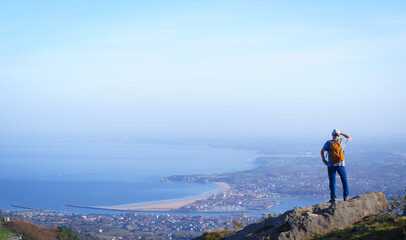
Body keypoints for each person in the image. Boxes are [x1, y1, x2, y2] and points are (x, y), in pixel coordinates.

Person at [321, 129, 352, 203]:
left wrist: (324, 160)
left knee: (332, 181)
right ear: (338, 135)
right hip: (340, 164)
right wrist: (341, 133)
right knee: (344, 180)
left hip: (331, 165)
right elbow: (349, 137)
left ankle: (333, 198)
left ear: (332, 134)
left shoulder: (328, 142)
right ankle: (345, 196)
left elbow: (322, 151)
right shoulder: (341, 141)